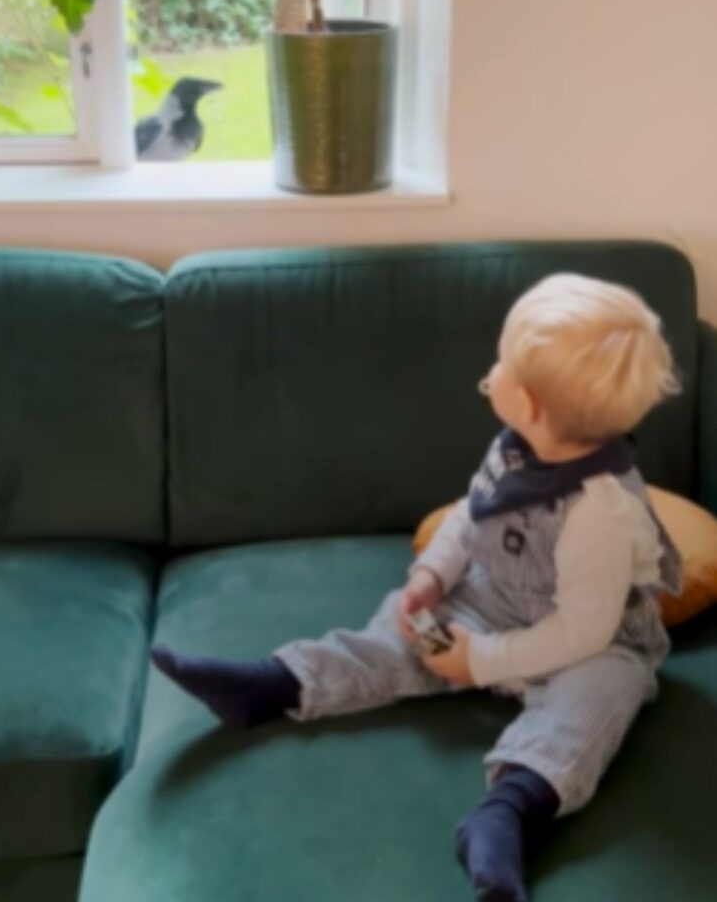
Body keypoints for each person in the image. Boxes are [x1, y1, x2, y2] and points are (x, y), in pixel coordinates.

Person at [151, 273, 682, 902]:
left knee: (604, 693)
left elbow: (582, 630)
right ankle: (274, 683)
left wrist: (479, 662)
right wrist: (433, 573)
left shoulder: (600, 513)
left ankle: (507, 813)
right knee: (396, 634)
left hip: (585, 641)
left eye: (502, 361)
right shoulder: (517, 450)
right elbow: (471, 512)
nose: (491, 368)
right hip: (493, 601)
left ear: (531, 403)